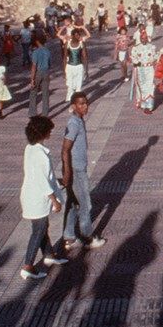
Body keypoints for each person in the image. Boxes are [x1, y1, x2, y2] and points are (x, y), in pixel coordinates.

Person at [18, 115, 68, 280]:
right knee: (38, 231)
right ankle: (28, 265)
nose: (51, 133)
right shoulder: (40, 155)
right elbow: (42, 180)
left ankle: (49, 254)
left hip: (30, 195)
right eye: (49, 131)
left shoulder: (30, 148)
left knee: (41, 226)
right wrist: (55, 200)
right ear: (43, 133)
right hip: (37, 198)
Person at [58, 92, 106, 254]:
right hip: (76, 170)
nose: (85, 106)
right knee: (85, 203)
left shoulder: (78, 120)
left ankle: (69, 236)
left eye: (86, 103)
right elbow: (65, 149)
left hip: (78, 168)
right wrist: (67, 173)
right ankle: (87, 237)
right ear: (73, 106)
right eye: (80, 104)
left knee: (73, 203)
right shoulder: (74, 123)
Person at [130, 28, 158, 114]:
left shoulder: (152, 47)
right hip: (141, 69)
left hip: (149, 69)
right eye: (142, 38)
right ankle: (144, 105)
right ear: (140, 39)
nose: (143, 40)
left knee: (151, 86)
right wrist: (135, 62)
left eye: (145, 38)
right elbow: (132, 57)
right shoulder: (136, 48)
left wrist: (158, 56)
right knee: (143, 86)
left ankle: (149, 106)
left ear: (147, 38)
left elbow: (155, 57)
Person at [60, 25, 90, 100]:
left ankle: (76, 102)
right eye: (76, 35)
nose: (78, 37)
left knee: (78, 87)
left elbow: (85, 57)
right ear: (72, 36)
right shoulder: (68, 43)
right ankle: (71, 101)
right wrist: (64, 71)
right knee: (70, 86)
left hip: (79, 67)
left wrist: (86, 69)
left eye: (79, 35)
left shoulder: (81, 44)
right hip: (69, 67)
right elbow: (64, 58)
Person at [28, 35, 52, 116]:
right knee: (45, 93)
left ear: (37, 41)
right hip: (46, 72)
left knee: (33, 92)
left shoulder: (36, 52)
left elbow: (34, 66)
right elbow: (49, 64)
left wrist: (32, 79)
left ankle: (33, 113)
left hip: (38, 72)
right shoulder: (48, 51)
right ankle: (45, 113)